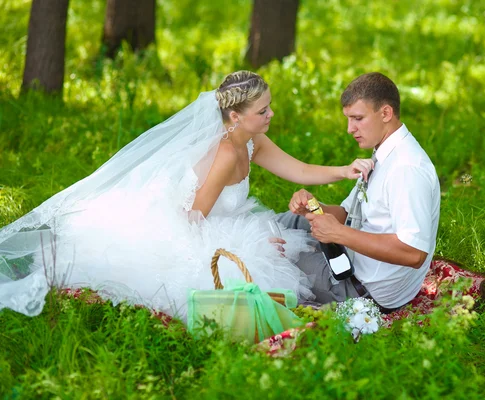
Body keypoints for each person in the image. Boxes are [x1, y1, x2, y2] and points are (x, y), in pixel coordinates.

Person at [0, 71, 373, 319]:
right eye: (263, 110)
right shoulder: (226, 154)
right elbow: (194, 218)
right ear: (235, 118)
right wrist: (255, 242)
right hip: (190, 225)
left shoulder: (251, 137)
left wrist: (344, 170)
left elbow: (297, 169)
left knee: (284, 249)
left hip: (214, 217)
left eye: (269, 106)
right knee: (260, 272)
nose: (271, 114)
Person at [279, 72, 441, 313]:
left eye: (357, 118)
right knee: (288, 220)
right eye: (348, 119)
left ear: (385, 113)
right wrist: (313, 207)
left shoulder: (406, 169)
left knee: (273, 255)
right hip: (351, 259)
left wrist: (340, 234)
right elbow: (347, 214)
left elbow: (414, 252)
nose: (349, 129)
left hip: (363, 290)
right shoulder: (385, 152)